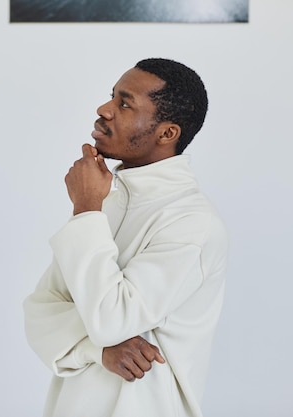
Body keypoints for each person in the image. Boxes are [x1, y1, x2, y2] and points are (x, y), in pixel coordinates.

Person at [23, 58, 228, 417]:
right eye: (112, 98)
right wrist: (97, 351)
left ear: (167, 133)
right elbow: (39, 310)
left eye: (124, 103)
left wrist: (86, 209)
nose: (104, 110)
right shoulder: (109, 200)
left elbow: (111, 319)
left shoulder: (191, 222)